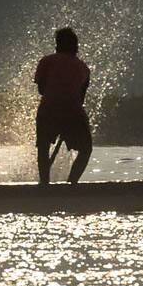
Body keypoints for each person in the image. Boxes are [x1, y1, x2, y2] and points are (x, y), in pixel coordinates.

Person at [34, 28, 92, 184]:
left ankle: (44, 184)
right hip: (72, 111)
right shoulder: (83, 67)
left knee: (43, 149)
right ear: (75, 46)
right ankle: (71, 184)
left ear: (57, 44)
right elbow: (81, 97)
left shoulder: (45, 61)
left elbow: (41, 89)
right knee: (86, 149)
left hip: (48, 110)